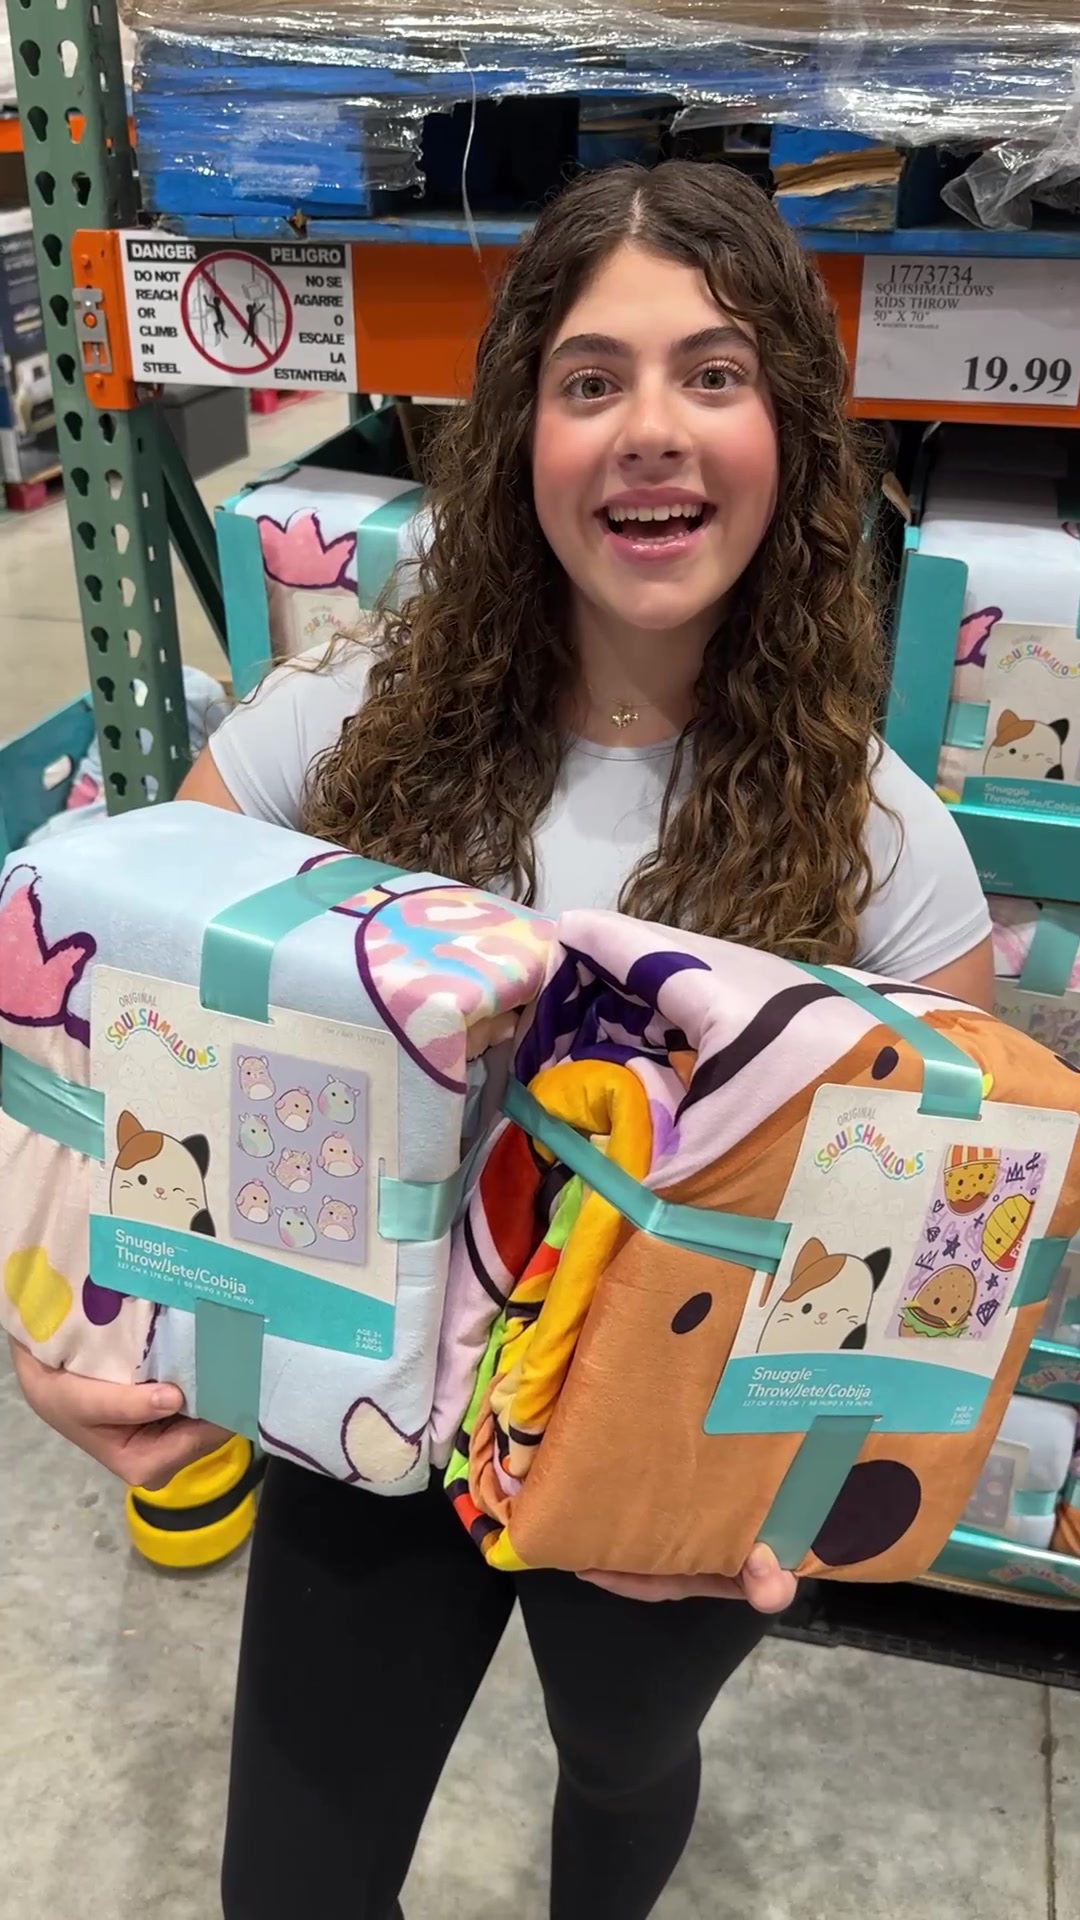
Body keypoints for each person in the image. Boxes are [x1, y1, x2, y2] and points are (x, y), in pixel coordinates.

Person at [11, 161, 994, 1919]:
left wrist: (784, 1481)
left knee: (619, 1760)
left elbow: (929, 1255)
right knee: (291, 1892)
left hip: (650, 1456)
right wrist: (66, 1318)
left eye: (714, 374)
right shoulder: (332, 727)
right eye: (591, 379)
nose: (652, 428)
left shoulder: (887, 849)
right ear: (519, 435)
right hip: (357, 1406)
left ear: (791, 432)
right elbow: (122, 1026)